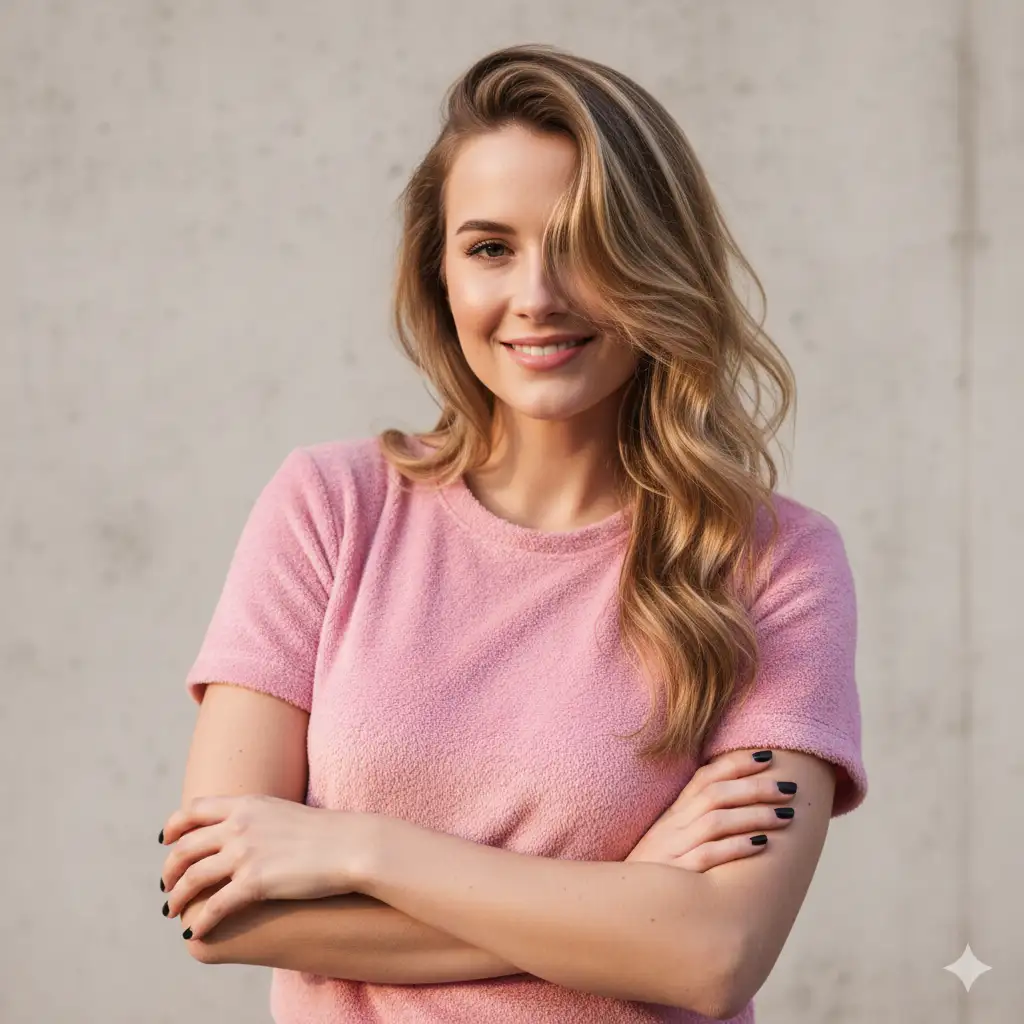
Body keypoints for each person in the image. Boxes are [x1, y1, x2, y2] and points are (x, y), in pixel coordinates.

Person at [164, 42, 868, 1023]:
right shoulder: (328, 507)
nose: (537, 295)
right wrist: (629, 898)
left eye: (586, 243)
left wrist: (361, 849)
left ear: (658, 263)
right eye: (490, 247)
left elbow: (713, 954)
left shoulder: (771, 562)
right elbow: (217, 911)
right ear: (440, 273)